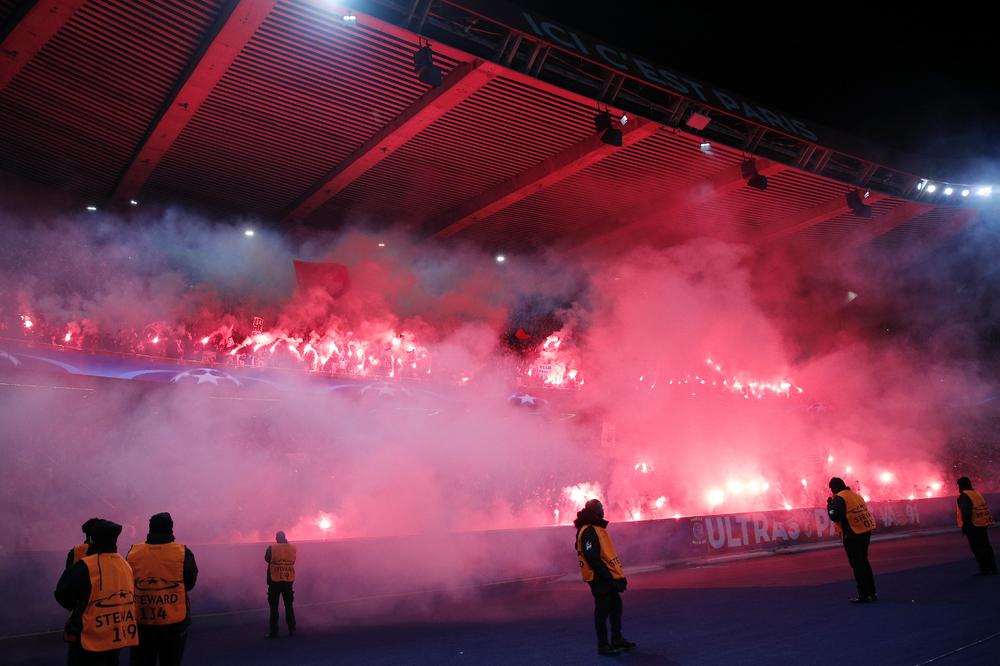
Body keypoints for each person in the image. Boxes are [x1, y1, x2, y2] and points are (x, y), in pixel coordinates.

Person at [55, 518, 139, 665]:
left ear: (93, 538)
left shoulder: (85, 565)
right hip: (116, 633)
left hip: (89, 637)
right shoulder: (124, 564)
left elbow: (63, 594)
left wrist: (78, 606)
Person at [127, 512, 199, 665]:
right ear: (171, 529)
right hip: (174, 622)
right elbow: (190, 583)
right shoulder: (183, 552)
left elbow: (127, 582)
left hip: (142, 622)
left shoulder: (134, 552)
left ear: (150, 529)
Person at [574, 499, 636, 656]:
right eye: (600, 508)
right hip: (599, 577)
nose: (603, 510)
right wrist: (609, 577)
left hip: (606, 575)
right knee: (602, 610)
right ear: (595, 511)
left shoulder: (595, 527)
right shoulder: (589, 530)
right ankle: (603, 645)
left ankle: (616, 639)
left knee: (616, 606)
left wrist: (616, 576)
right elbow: (592, 557)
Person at [827, 477, 877, 603]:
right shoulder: (855, 495)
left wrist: (829, 506)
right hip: (865, 532)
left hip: (853, 534)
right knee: (864, 563)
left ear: (834, 488)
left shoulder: (840, 498)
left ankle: (864, 594)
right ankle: (872, 592)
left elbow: (834, 515)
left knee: (857, 565)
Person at [956, 477, 997, 575]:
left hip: (973, 525)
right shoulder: (976, 493)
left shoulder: (964, 496)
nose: (958, 487)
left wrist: (965, 527)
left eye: (959, 485)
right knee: (986, 546)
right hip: (982, 523)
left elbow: (966, 513)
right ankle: (993, 567)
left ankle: (984, 569)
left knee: (977, 548)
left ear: (962, 485)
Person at [264, 531, 296, 638]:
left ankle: (274, 632)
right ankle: (292, 628)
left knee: (274, 608)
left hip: (275, 581)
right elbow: (293, 560)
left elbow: (267, 559)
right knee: (289, 606)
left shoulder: (272, 548)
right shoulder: (292, 548)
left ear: (277, 538)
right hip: (287, 580)